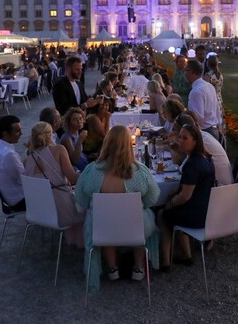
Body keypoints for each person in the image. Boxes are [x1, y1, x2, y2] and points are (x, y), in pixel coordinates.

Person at [75, 125, 160, 287]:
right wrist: (140, 206)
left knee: (102, 218)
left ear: (106, 143)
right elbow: (153, 197)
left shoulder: (91, 171)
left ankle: (113, 268)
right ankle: (138, 267)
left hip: (102, 228)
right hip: (135, 227)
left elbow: (81, 200)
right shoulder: (139, 171)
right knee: (143, 215)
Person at [157, 121, 215, 269]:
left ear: (195, 141)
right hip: (207, 211)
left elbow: (185, 196)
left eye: (185, 138)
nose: (180, 141)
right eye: (180, 137)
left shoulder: (193, 165)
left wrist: (169, 204)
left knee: (162, 214)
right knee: (174, 207)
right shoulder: (205, 158)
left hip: (197, 216)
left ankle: (164, 262)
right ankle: (186, 255)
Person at [23, 122, 85, 248]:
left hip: (39, 211)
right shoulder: (59, 150)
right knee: (90, 206)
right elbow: (73, 179)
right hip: (62, 211)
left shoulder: (27, 161)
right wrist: (88, 173)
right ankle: (86, 244)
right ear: (51, 136)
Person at [0, 115, 25, 211]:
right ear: (5, 134)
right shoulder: (8, 155)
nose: (21, 134)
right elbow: (25, 179)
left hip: (9, 197)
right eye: (18, 131)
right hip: (20, 200)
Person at [185, 59, 222, 141]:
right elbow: (217, 109)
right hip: (214, 130)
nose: (185, 73)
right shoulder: (209, 86)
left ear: (191, 72)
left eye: (186, 70)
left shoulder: (195, 92)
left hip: (205, 132)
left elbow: (197, 118)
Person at [59, 107, 88, 171]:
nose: (79, 121)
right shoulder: (67, 138)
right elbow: (74, 160)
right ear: (69, 122)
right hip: (79, 170)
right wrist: (80, 140)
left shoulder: (76, 133)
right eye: (75, 119)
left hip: (85, 162)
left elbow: (80, 153)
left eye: (80, 118)